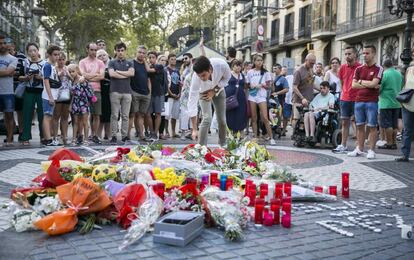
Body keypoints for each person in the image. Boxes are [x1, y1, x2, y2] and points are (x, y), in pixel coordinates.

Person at [348, 45, 383, 159]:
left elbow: (374, 84)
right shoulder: (359, 69)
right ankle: (359, 149)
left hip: (372, 101)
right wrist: (370, 84)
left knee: (372, 126)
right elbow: (353, 85)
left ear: (373, 54)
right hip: (359, 101)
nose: (364, 56)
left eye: (367, 53)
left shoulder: (378, 68)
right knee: (359, 126)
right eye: (363, 53)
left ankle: (371, 150)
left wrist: (361, 82)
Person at [188, 56, 231, 146]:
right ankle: (201, 148)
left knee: (222, 120)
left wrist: (214, 90)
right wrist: (194, 129)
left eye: (203, 75)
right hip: (203, 92)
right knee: (207, 118)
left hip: (219, 90)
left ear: (210, 69)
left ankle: (223, 145)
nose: (202, 78)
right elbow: (192, 100)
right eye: (200, 76)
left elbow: (227, 78)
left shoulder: (222, 65)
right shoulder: (196, 78)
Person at [333, 46, 361, 153]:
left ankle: (358, 146)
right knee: (344, 122)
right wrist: (345, 91)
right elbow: (341, 82)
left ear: (355, 54)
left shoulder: (360, 67)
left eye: (349, 54)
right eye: (345, 54)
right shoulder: (343, 68)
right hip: (344, 98)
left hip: (357, 99)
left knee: (358, 123)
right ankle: (343, 145)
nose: (347, 56)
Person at [19, 42, 46, 146]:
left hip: (41, 92)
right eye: (30, 51)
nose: (33, 53)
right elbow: (19, 77)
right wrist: (26, 78)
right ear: (27, 52)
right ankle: (25, 137)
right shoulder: (24, 62)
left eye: (34, 50)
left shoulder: (44, 63)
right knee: (27, 114)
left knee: (42, 115)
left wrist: (41, 78)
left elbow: (48, 78)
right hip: (28, 91)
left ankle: (43, 136)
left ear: (38, 51)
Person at [108, 42, 134, 144]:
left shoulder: (130, 63)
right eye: (118, 50)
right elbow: (111, 74)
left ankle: (124, 136)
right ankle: (113, 136)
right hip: (114, 91)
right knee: (114, 115)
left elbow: (131, 73)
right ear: (115, 51)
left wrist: (118, 72)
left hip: (127, 92)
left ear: (125, 51)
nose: (120, 52)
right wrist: (125, 74)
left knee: (125, 116)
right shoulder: (112, 62)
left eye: (122, 50)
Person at [79, 42, 105, 144]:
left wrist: (89, 76)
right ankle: (83, 136)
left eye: (95, 50)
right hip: (85, 90)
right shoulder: (82, 62)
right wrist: (95, 76)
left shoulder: (100, 63)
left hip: (97, 90)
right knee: (84, 115)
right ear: (87, 50)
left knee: (96, 114)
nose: (94, 52)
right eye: (92, 50)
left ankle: (94, 135)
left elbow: (102, 76)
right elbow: (82, 74)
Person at [245, 55, 275, 144]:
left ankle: (271, 137)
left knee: (265, 117)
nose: (259, 62)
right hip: (252, 96)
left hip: (262, 96)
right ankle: (255, 137)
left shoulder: (266, 73)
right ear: (254, 61)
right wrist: (251, 85)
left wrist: (262, 85)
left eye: (261, 60)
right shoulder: (250, 72)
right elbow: (246, 85)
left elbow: (269, 86)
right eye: (257, 60)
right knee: (254, 118)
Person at [378, 59, 403, 150]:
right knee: (394, 124)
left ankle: (389, 143)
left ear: (384, 66)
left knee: (387, 124)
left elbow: (380, 88)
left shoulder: (385, 74)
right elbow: (401, 86)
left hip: (386, 102)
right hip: (397, 102)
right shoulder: (399, 74)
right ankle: (394, 143)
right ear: (392, 65)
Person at [129, 45, 151, 141]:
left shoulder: (146, 65)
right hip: (135, 92)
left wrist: (149, 92)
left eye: (143, 53)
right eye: (140, 52)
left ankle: (141, 135)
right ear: (136, 52)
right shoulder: (131, 63)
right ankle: (127, 136)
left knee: (142, 115)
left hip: (145, 93)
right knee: (132, 114)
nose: (141, 54)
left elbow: (149, 79)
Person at [69, 64, 95, 145]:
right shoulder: (72, 81)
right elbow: (73, 94)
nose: (71, 73)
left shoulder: (82, 79)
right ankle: (74, 139)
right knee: (75, 122)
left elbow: (89, 91)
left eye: (73, 71)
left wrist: (83, 81)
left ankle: (86, 139)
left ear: (77, 70)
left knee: (85, 122)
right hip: (75, 103)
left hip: (84, 102)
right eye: (69, 72)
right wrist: (70, 105)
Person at [41, 44, 62, 146]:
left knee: (49, 116)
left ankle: (47, 138)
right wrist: (50, 97)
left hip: (53, 95)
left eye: (58, 54)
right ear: (49, 55)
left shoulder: (53, 66)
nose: (57, 57)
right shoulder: (47, 66)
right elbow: (46, 81)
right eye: (55, 54)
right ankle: (48, 139)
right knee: (47, 116)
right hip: (48, 96)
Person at [396, 50, 414, 162]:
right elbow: (405, 85)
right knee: (407, 130)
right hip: (407, 104)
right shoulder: (409, 69)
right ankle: (404, 154)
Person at [0, 35, 18, 146]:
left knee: (9, 116)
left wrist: (8, 72)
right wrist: (7, 72)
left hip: (8, 91)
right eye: (0, 43)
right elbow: (7, 72)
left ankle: (10, 138)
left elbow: (8, 72)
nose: (2, 45)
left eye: (3, 43)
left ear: (7, 44)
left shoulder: (13, 59)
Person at [8, 39, 26, 142]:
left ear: (14, 46)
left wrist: (12, 72)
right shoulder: (3, 57)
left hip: (19, 85)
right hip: (7, 86)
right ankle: (11, 131)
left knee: (20, 110)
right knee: (9, 111)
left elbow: (24, 71)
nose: (8, 48)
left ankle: (21, 132)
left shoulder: (22, 57)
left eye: (10, 46)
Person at [292, 53, 317, 128]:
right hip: (299, 100)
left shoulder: (310, 69)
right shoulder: (298, 71)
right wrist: (302, 98)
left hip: (309, 99)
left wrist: (322, 89)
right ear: (306, 60)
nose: (312, 65)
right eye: (311, 63)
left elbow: (311, 83)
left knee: (306, 119)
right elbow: (294, 87)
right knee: (297, 118)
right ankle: (294, 134)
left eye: (313, 63)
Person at [52, 52, 71, 145]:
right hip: (57, 95)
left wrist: (68, 74)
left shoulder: (67, 68)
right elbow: (51, 81)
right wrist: (59, 75)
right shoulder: (54, 69)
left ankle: (65, 136)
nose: (61, 61)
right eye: (59, 59)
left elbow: (73, 78)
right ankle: (55, 137)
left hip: (66, 95)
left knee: (65, 117)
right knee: (56, 116)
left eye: (63, 59)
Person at [148, 53, 167, 140]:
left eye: (153, 57)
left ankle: (156, 133)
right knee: (148, 114)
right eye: (149, 57)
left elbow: (149, 70)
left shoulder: (159, 66)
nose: (151, 59)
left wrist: (144, 62)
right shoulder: (148, 66)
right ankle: (151, 132)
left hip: (159, 93)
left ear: (156, 59)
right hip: (149, 94)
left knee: (158, 114)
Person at [225, 59, 247, 134]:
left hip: (241, 97)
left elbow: (245, 86)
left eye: (240, 66)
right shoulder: (228, 74)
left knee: (240, 114)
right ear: (232, 66)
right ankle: (230, 132)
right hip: (229, 97)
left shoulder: (243, 75)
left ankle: (239, 132)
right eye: (236, 66)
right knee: (230, 114)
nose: (238, 67)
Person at [96, 49, 111, 140]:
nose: (102, 57)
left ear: (107, 55)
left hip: (110, 91)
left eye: (104, 55)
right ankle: (98, 135)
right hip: (99, 91)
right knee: (100, 114)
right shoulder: (96, 66)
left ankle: (108, 134)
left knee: (109, 114)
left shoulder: (112, 65)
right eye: (99, 56)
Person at [166, 53, 181, 138]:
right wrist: (171, 93)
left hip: (177, 95)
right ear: (168, 60)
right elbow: (166, 84)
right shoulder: (166, 70)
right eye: (172, 59)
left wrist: (179, 93)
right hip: (169, 95)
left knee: (175, 115)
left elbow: (179, 83)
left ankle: (173, 132)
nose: (174, 61)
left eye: (175, 59)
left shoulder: (177, 70)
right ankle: (166, 132)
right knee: (167, 115)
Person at [272, 63, 289, 135]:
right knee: (272, 114)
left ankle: (278, 128)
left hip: (279, 100)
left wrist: (277, 93)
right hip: (271, 100)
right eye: (273, 68)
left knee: (278, 114)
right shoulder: (271, 77)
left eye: (276, 68)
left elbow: (287, 89)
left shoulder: (283, 79)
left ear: (280, 69)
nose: (274, 70)